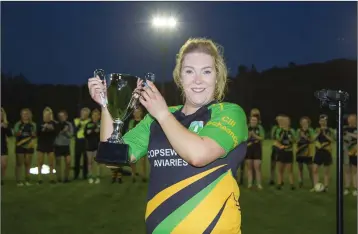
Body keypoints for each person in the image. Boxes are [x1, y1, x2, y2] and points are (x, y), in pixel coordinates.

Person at [89, 38, 248, 233]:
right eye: (189, 71)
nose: (198, 80)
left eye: (206, 71)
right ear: (179, 76)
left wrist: (162, 114)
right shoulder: (156, 119)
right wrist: (107, 105)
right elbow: (111, 158)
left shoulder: (230, 112)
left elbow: (198, 155)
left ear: (218, 76)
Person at [312, 114, 335, 192]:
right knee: (315, 169)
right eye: (321, 121)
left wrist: (325, 135)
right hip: (318, 152)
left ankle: (326, 186)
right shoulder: (317, 130)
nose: (323, 122)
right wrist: (318, 133)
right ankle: (316, 186)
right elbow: (312, 139)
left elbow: (332, 140)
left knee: (326, 171)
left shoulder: (330, 130)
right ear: (319, 121)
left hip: (327, 152)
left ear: (326, 121)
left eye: (324, 121)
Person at [14, 108, 36, 186]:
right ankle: (18, 180)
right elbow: (15, 134)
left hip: (29, 145)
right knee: (19, 163)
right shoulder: (18, 124)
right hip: (20, 145)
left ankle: (27, 180)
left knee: (28, 163)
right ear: (21, 115)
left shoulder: (32, 124)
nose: (25, 115)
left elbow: (34, 135)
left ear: (30, 115)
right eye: (24, 114)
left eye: (27, 114)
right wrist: (18, 133)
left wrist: (33, 135)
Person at [37, 107, 57, 184]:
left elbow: (56, 132)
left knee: (51, 163)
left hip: (50, 144)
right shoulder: (40, 123)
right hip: (41, 144)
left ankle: (51, 178)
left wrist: (52, 129)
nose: (47, 116)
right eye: (46, 115)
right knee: (40, 162)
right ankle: (39, 178)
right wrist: (43, 129)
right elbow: (37, 133)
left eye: (49, 115)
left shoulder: (54, 123)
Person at [274, 115, 296, 190]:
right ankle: (279, 183)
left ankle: (292, 184)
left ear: (289, 122)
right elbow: (277, 139)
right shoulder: (279, 130)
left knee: (290, 169)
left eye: (287, 121)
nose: (285, 122)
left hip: (289, 151)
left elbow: (294, 140)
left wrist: (291, 138)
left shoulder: (292, 130)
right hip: (281, 151)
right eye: (284, 121)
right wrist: (283, 133)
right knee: (280, 169)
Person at [245, 115, 264, 189]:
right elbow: (244, 138)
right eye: (252, 120)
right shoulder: (246, 127)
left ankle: (259, 184)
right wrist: (249, 136)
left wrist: (255, 136)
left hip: (257, 149)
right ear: (250, 121)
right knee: (249, 168)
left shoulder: (260, 128)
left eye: (255, 120)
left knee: (257, 167)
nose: (253, 121)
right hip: (249, 149)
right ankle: (249, 184)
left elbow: (262, 138)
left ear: (257, 121)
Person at [54, 110, 73, 183]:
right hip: (58, 145)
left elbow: (71, 135)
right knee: (58, 163)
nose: (61, 117)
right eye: (60, 116)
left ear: (66, 116)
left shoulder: (69, 124)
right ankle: (58, 178)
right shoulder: (56, 124)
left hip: (66, 146)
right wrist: (62, 131)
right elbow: (56, 134)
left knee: (68, 162)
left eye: (63, 116)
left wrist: (66, 132)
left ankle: (66, 178)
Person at [295, 116, 315, 188]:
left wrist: (305, 137)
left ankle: (313, 183)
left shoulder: (311, 130)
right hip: (300, 151)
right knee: (300, 168)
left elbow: (312, 140)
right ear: (300, 123)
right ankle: (300, 181)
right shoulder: (298, 131)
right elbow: (296, 140)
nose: (304, 123)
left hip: (308, 152)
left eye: (305, 122)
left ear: (308, 123)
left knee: (310, 168)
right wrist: (299, 137)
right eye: (302, 122)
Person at [84, 108, 101, 184]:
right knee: (90, 162)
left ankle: (97, 176)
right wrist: (90, 132)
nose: (95, 116)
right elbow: (85, 134)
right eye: (94, 115)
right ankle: (90, 176)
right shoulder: (88, 124)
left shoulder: (100, 124)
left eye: (96, 115)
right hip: (89, 145)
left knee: (97, 162)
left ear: (99, 116)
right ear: (92, 116)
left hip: (98, 145)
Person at [73, 107, 91, 180]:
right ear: (81, 114)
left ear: (88, 115)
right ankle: (76, 175)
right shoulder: (76, 120)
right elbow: (74, 131)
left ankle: (85, 174)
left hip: (86, 140)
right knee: (77, 158)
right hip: (78, 140)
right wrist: (79, 125)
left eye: (86, 114)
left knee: (85, 158)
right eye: (83, 113)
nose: (84, 115)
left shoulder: (89, 121)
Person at [343, 114, 357, 196]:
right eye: (350, 119)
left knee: (355, 171)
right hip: (346, 152)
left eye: (353, 119)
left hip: (355, 151)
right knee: (347, 170)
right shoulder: (344, 129)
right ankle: (347, 188)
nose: (351, 121)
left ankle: (356, 188)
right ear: (348, 120)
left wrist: (349, 134)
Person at [269, 115, 284, 185]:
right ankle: (272, 179)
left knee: (280, 165)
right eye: (278, 120)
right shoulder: (275, 128)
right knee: (273, 164)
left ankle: (281, 180)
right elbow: (272, 137)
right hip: (275, 147)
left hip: (283, 148)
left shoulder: (285, 128)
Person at [1, 107, 13, 185]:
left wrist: (6, 128)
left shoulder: (5, 124)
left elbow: (10, 135)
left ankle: (1, 178)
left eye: (1, 115)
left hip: (3, 145)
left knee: (4, 164)